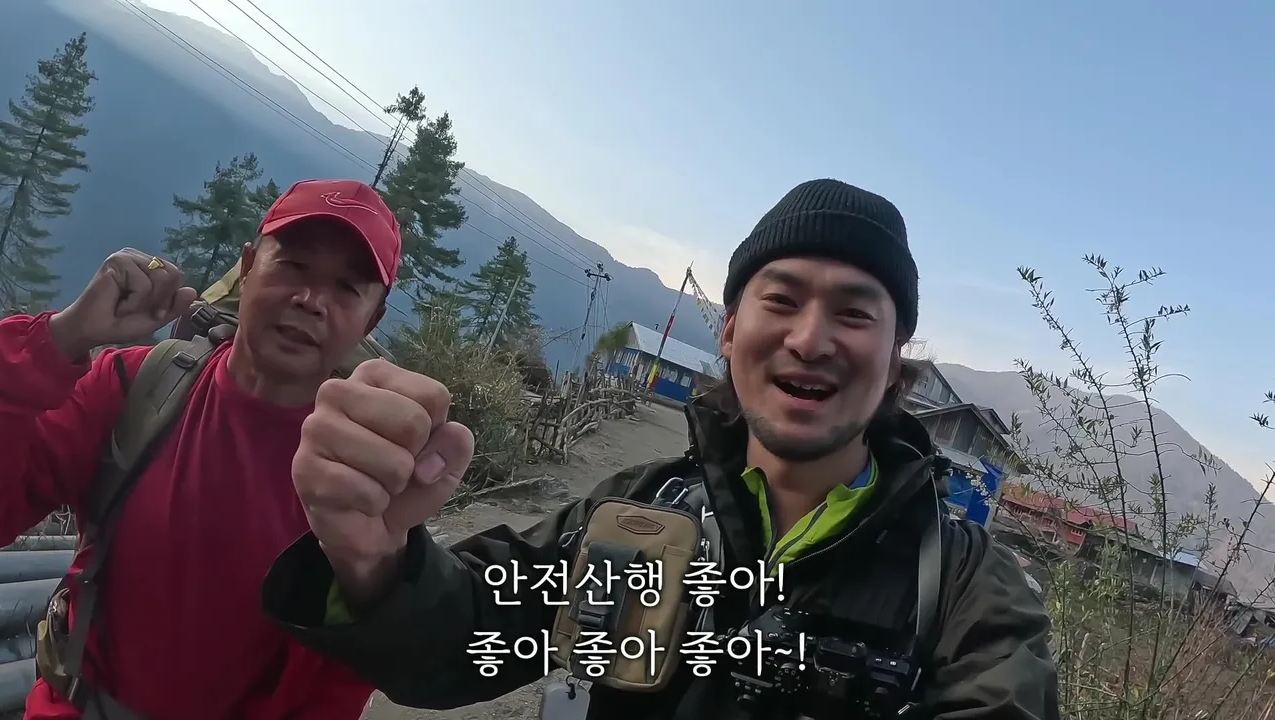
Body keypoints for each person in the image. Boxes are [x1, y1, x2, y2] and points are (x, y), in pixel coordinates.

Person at [260, 178, 1061, 720]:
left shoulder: (962, 591)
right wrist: (373, 555)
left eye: (855, 314)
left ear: (894, 364)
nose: (811, 339)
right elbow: (465, 638)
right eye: (781, 300)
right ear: (730, 331)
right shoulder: (636, 511)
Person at [0, 178, 403, 720]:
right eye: (294, 266)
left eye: (347, 288)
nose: (310, 301)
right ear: (248, 266)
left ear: (371, 320)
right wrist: (60, 339)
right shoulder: (135, 386)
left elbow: (338, 678)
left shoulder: (364, 474)